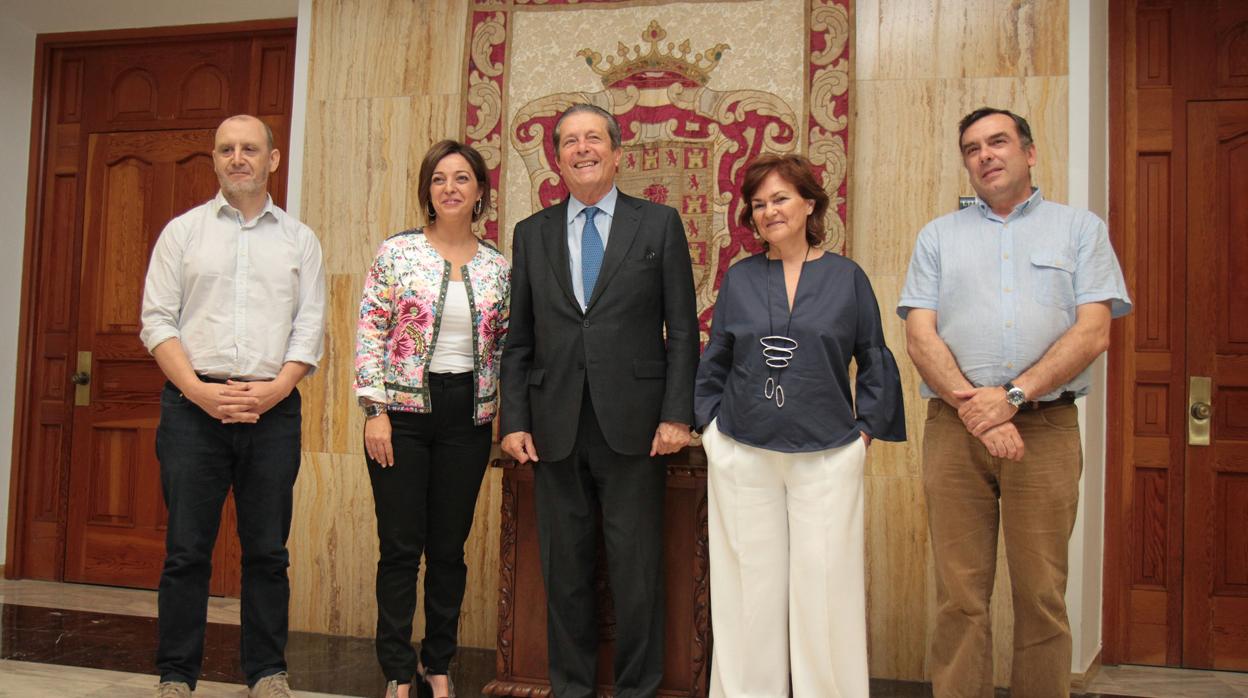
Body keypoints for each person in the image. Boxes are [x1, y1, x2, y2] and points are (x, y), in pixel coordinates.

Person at [898, 107, 1132, 697]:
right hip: (955, 431)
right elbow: (920, 336)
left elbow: (1093, 332)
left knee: (1042, 596)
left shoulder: (1080, 230)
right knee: (960, 598)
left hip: (1046, 429)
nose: (985, 155)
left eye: (998, 142)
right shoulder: (937, 236)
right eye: (973, 147)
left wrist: (1012, 397)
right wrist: (977, 409)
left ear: (1029, 153)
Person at [499, 103, 699, 698]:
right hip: (554, 426)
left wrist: (676, 414)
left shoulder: (659, 224)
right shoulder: (531, 233)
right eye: (569, 142)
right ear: (556, 158)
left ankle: (638, 690)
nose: (582, 149)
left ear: (617, 153)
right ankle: (571, 689)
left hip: (637, 428)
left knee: (637, 574)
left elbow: (682, 331)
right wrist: (513, 420)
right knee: (565, 576)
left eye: (593, 139)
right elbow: (519, 339)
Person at [694, 153, 905, 697]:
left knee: (825, 592)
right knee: (748, 592)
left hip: (827, 454)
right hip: (744, 452)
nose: (769, 212)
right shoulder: (740, 279)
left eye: (781, 198)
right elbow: (715, 358)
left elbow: (874, 357)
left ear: (810, 203)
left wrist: (863, 433)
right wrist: (712, 432)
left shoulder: (846, 278)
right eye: (759, 204)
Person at [140, 114, 326, 698]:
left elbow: (310, 328)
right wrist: (197, 389)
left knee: (268, 552)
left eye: (249, 148)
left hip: (273, 412)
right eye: (226, 149)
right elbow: (157, 321)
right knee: (186, 551)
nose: (237, 157)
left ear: (273, 160)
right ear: (215, 160)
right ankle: (176, 675)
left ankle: (267, 673)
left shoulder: (300, 240)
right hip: (193, 411)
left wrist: (275, 390)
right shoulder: (182, 233)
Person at [354, 140, 510, 698]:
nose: (450, 187)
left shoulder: (498, 268)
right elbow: (371, 331)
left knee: (448, 547)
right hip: (401, 414)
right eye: (439, 178)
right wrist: (374, 411)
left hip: (467, 418)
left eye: (462, 178)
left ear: (479, 192)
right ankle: (397, 667)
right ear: (427, 190)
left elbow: (508, 348)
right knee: (400, 546)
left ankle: (437, 661)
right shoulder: (397, 254)